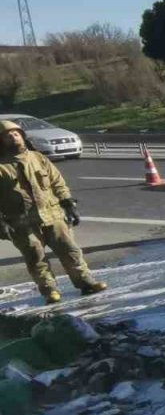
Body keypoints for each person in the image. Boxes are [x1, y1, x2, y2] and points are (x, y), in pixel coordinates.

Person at [0, 120, 107, 304]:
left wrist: (68, 203)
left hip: (52, 215)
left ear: (22, 136)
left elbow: (57, 182)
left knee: (70, 250)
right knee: (36, 258)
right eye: (8, 136)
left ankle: (85, 281)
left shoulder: (38, 158)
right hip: (21, 223)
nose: (13, 137)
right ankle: (50, 290)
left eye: (16, 134)